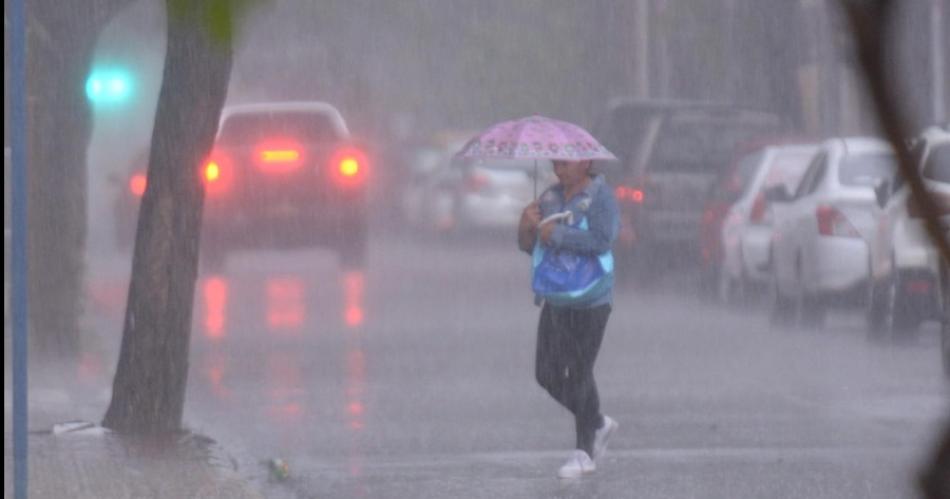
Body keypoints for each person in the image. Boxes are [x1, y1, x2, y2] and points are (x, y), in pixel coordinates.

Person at [518, 158, 620, 479]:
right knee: (545, 373)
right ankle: (597, 421)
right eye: (555, 163)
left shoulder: (601, 196)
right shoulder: (549, 197)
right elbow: (530, 245)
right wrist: (526, 224)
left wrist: (558, 234)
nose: (558, 169)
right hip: (557, 297)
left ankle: (583, 452)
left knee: (579, 370)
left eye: (565, 163)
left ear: (586, 162)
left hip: (591, 299)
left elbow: (602, 240)